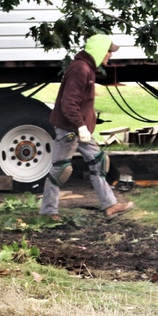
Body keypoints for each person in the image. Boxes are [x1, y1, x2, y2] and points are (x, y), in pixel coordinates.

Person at [39, 33, 134, 220]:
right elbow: (68, 104)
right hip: (70, 129)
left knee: (99, 162)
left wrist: (84, 128)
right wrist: (81, 126)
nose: (110, 55)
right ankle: (48, 212)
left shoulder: (88, 68)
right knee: (60, 169)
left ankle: (110, 206)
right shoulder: (80, 69)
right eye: (108, 51)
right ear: (98, 51)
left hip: (80, 130)